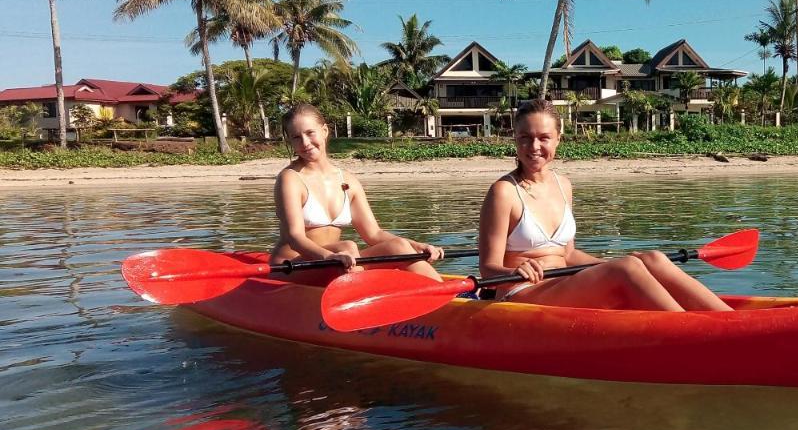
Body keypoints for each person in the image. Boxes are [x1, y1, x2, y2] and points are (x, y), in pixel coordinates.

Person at [477, 98, 731, 310]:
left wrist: (615, 265)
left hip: (564, 282)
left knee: (651, 259)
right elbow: (488, 272)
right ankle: (692, 331)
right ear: (515, 139)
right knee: (627, 268)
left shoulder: (563, 185)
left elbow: (568, 254)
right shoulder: (504, 192)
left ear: (558, 139)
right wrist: (516, 270)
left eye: (544, 138)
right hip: (522, 292)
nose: (534, 146)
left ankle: (728, 319)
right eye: (525, 137)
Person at [271, 103, 443, 276]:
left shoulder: (347, 181)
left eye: (310, 133)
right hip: (291, 267)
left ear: (324, 131)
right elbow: (295, 238)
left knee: (398, 246)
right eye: (296, 137)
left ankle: (454, 295)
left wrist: (417, 246)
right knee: (347, 246)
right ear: (290, 141)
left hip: (338, 261)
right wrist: (329, 256)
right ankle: (365, 290)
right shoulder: (290, 179)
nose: (305, 142)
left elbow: (374, 234)